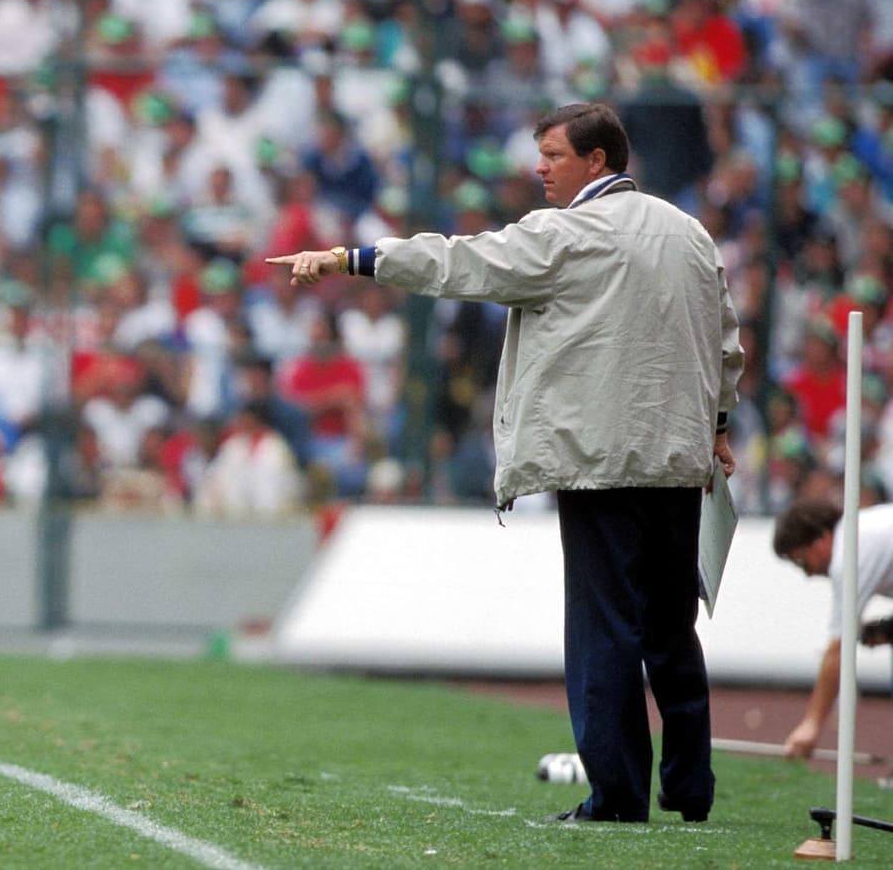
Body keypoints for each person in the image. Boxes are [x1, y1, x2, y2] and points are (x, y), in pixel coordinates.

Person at [267, 102, 743, 824]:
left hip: (598, 459)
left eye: (553, 154)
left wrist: (355, 257)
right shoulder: (689, 233)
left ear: (597, 162)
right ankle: (690, 786)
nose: (539, 168)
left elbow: (463, 262)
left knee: (604, 625)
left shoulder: (565, 234)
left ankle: (616, 797)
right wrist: (718, 423)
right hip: (678, 456)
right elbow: (725, 339)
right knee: (671, 625)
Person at [772, 498, 893, 758]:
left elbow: (838, 648)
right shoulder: (863, 530)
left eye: (802, 562)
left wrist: (811, 724)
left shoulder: (848, 553)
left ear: (821, 539)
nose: (808, 574)